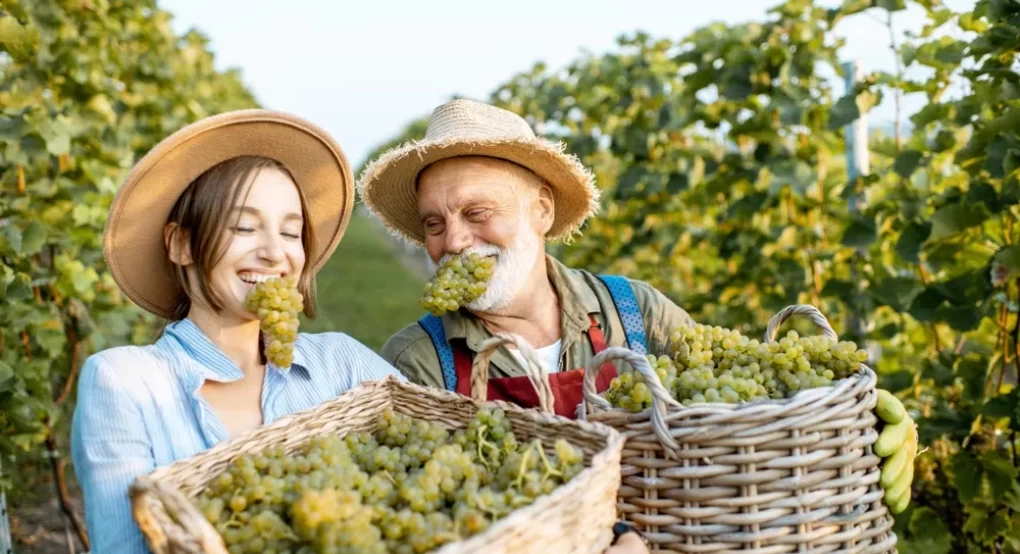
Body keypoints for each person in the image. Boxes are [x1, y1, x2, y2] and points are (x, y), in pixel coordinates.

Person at [358, 98, 917, 549]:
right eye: (435, 223)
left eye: (477, 213)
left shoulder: (636, 311)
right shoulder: (419, 361)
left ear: (543, 210)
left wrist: (859, 418)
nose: (453, 241)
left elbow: (748, 401)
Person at [71, 110, 404, 554]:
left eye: (291, 232)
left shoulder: (345, 363)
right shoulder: (124, 382)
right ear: (181, 243)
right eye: (244, 227)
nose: (273, 253)